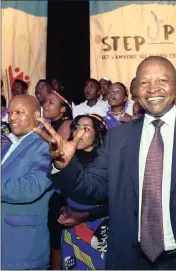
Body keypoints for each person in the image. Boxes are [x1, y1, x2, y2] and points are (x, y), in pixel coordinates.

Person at [34, 56, 176, 270]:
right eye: (144, 83)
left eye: (162, 81)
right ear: (136, 90)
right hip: (131, 261)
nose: (153, 89)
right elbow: (92, 188)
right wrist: (64, 165)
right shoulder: (118, 138)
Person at [1, 95, 53, 269]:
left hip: (22, 248)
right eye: (9, 113)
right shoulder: (8, 146)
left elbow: (33, 186)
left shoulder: (46, 145)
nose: (12, 117)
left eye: (19, 112)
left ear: (37, 115)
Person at [57, 114, 109, 270]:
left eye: (86, 129)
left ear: (97, 134)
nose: (79, 132)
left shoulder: (105, 161)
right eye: (77, 127)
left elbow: (114, 201)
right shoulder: (67, 158)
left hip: (98, 228)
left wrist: (83, 216)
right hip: (71, 228)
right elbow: (59, 193)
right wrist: (64, 208)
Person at [43, 90, 73, 269]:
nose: (45, 105)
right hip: (52, 186)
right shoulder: (50, 125)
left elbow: (54, 157)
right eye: (45, 102)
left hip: (60, 190)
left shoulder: (66, 124)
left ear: (63, 109)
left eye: (51, 103)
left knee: (56, 241)